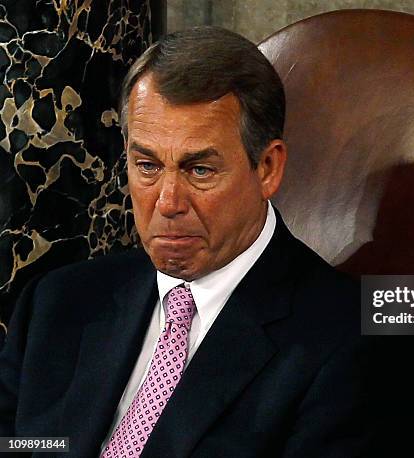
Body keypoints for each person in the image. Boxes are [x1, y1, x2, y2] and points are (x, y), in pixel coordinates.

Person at [0, 27, 373, 457]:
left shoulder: (346, 345)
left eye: (200, 171)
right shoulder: (57, 304)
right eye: (147, 165)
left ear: (268, 167)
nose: (168, 202)